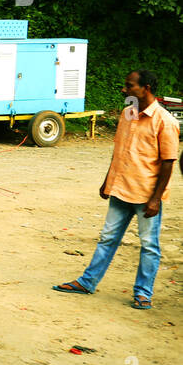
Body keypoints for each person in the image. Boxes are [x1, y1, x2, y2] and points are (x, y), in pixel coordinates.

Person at [54, 69, 178, 309]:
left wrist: (155, 199)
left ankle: (143, 293)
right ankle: (87, 282)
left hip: (146, 195)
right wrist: (107, 181)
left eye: (129, 85)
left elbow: (168, 162)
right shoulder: (128, 114)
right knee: (107, 238)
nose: (124, 89)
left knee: (149, 245)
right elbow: (120, 151)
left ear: (146, 88)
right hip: (120, 189)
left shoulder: (165, 121)